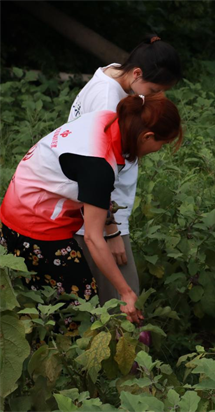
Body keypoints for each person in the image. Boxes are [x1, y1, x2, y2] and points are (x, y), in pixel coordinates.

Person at [0, 94, 183, 327]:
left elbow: (97, 193)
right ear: (147, 136)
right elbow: (93, 238)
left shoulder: (108, 119)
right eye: (162, 144)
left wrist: (113, 229)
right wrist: (125, 292)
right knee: (79, 310)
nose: (159, 150)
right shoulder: (98, 165)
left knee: (48, 302)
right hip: (36, 229)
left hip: (14, 210)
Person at [68, 35, 182, 305]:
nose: (154, 98)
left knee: (106, 300)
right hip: (99, 215)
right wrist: (112, 231)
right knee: (123, 301)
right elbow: (97, 168)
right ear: (137, 73)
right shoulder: (109, 102)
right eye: (153, 90)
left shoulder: (112, 74)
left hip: (98, 211)